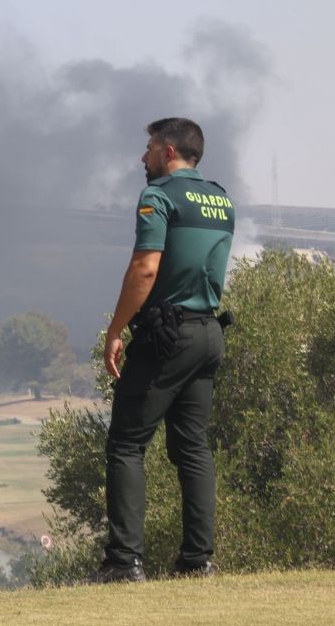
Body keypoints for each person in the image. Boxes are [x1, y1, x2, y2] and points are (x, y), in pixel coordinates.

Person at [94, 117, 235, 583]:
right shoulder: (220, 199)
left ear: (169, 151)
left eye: (150, 147)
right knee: (192, 447)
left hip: (167, 336)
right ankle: (198, 562)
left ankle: (123, 563)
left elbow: (145, 269)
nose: (143, 156)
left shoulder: (159, 196)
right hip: (209, 333)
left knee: (127, 444)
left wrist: (116, 329)